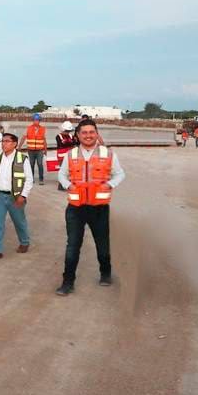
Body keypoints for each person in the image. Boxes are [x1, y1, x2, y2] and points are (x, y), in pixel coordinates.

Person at [56, 120, 125, 295]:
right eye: (84, 132)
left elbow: (120, 173)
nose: (88, 135)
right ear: (77, 135)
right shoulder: (71, 155)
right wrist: (67, 185)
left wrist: (109, 184)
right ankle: (68, 282)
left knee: (102, 244)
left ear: (96, 133)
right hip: (75, 208)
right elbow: (62, 174)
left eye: (91, 132)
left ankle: (105, 272)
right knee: (72, 245)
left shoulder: (108, 153)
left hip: (99, 208)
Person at [0, 133, 33, 260]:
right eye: (3, 141)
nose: (4, 143)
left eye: (7, 141)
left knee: (19, 222)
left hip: (15, 197)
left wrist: (23, 195)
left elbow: (29, 179)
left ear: (14, 144)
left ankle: (24, 242)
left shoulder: (22, 159)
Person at [24, 114, 48, 185]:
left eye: (37, 120)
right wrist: (19, 147)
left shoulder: (43, 129)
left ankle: (41, 179)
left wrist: (45, 150)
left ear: (39, 121)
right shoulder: (28, 128)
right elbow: (23, 137)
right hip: (30, 150)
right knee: (31, 164)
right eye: (35, 120)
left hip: (40, 150)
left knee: (40, 164)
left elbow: (44, 140)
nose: (36, 121)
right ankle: (31, 179)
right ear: (33, 120)